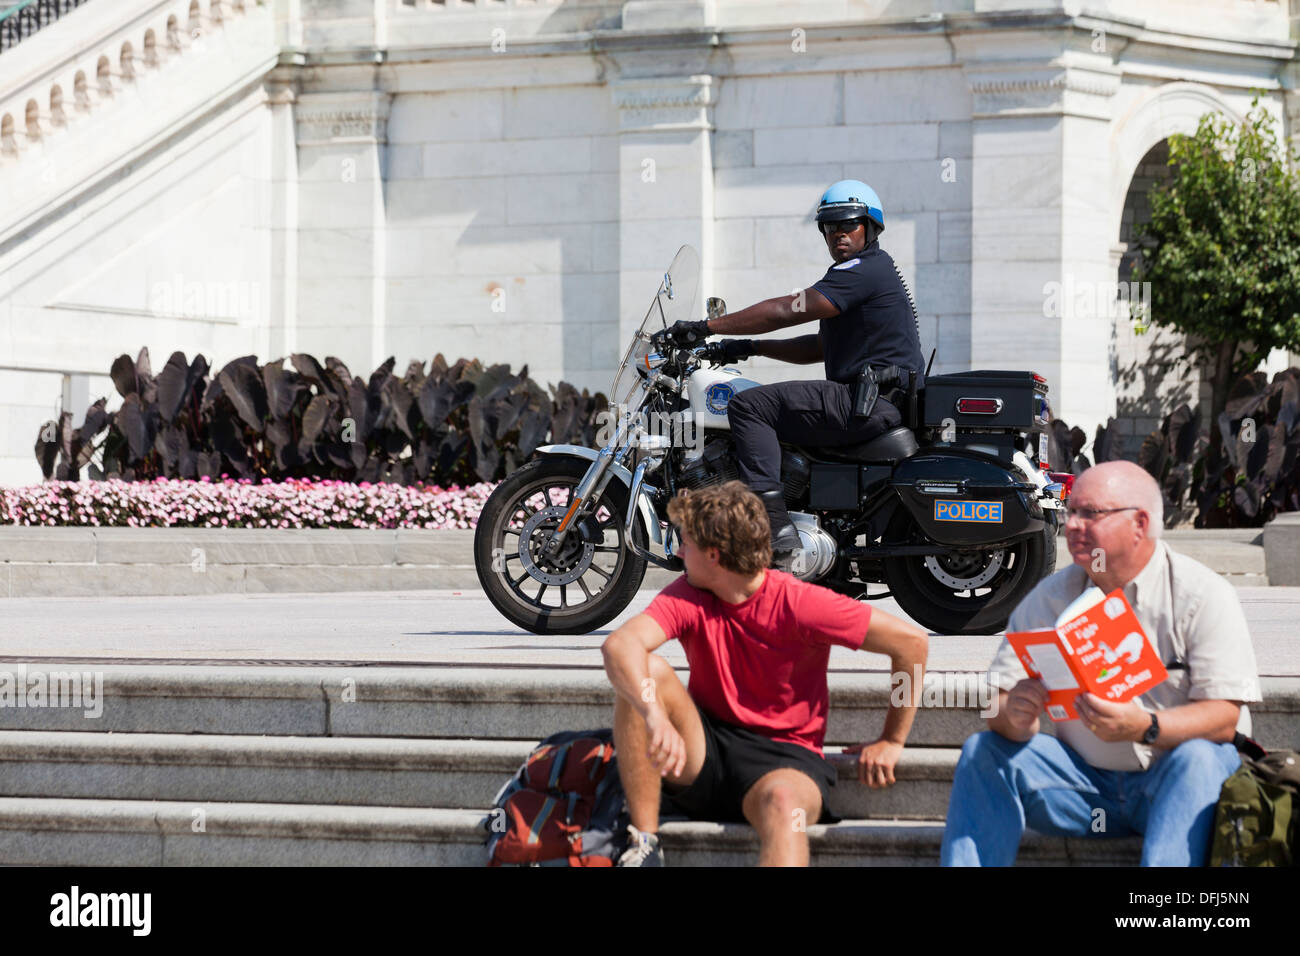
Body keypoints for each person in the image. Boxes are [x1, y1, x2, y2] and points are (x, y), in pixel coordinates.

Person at [940, 460, 1262, 866]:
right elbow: (997, 706)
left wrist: (1145, 727)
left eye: (1090, 513)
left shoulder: (1202, 594)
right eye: (1070, 511)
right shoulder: (1048, 598)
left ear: (1140, 524)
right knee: (983, 751)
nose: (1073, 524)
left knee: (1199, 758)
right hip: (1084, 788)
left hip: (1175, 787)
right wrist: (1012, 714)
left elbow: (1225, 718)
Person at [601, 481, 928, 866]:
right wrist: (653, 714)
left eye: (684, 542)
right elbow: (620, 646)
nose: (677, 551)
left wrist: (892, 739)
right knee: (648, 671)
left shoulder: (800, 602)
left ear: (713, 555)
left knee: (783, 807)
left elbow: (911, 644)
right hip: (704, 750)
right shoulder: (689, 593)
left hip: (784, 759)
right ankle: (644, 845)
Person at [651, 180, 926, 565]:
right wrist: (748, 348)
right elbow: (818, 346)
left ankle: (771, 527)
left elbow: (788, 309)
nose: (838, 234)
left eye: (848, 224)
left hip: (866, 403)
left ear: (871, 226)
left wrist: (706, 326)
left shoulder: (862, 270)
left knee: (749, 407)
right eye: (829, 227)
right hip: (870, 401)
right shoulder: (862, 275)